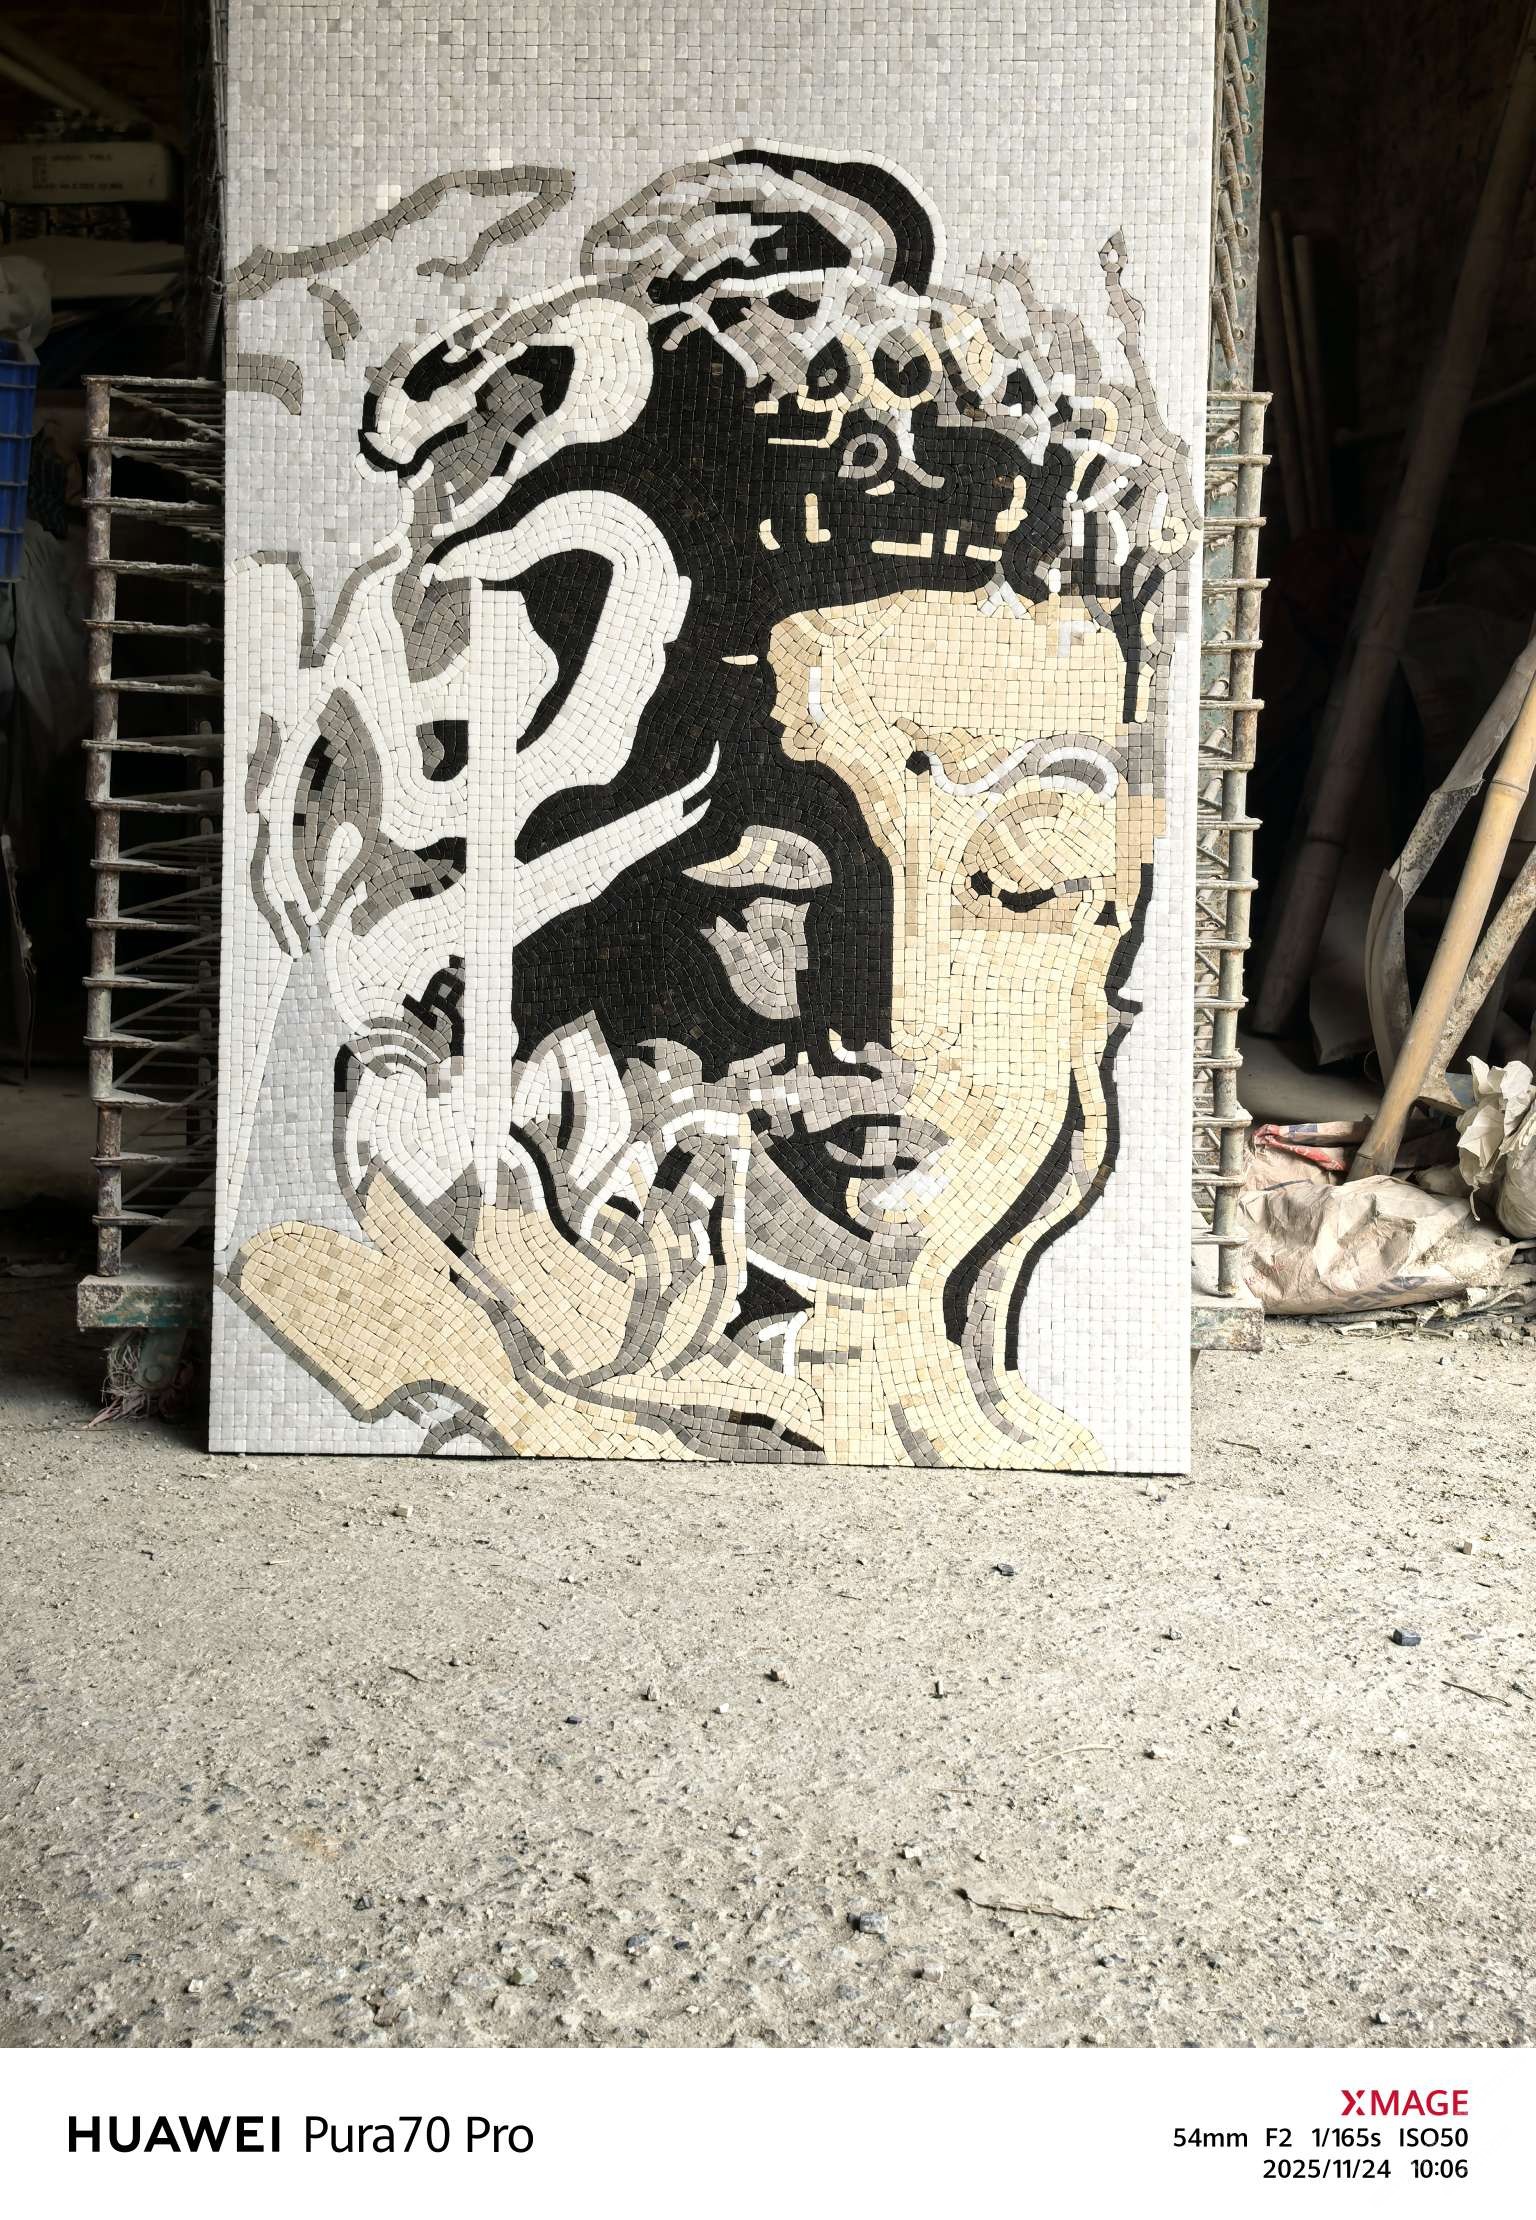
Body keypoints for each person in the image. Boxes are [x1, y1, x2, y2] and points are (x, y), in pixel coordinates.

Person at [224, 149, 1195, 1467]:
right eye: (767, 892)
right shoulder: (389, 1326)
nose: (892, 1010)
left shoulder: (1052, 1425)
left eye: (1025, 880)